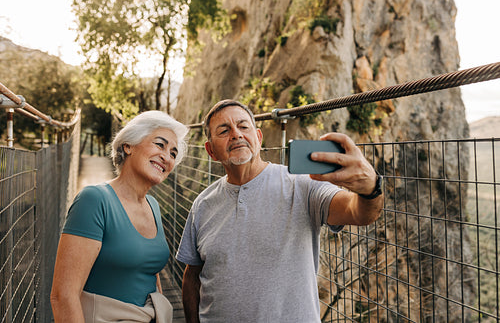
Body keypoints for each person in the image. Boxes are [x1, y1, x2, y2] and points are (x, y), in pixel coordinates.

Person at [176, 99, 384, 322]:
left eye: (243, 126)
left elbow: (360, 213)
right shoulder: (203, 204)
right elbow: (192, 276)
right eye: (224, 130)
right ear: (211, 151)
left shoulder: (302, 185)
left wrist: (370, 188)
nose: (236, 134)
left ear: (258, 138)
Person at [50, 111, 188, 323]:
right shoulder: (94, 200)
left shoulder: (153, 206)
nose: (167, 157)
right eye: (160, 145)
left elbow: (150, 271)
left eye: (173, 153)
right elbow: (63, 297)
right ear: (128, 145)